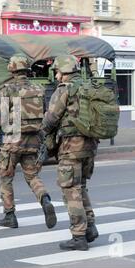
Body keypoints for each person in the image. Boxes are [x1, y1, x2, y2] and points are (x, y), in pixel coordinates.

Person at [42, 55, 99, 251]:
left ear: (63, 72)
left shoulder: (64, 90)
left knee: (70, 191)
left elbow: (51, 119)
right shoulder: (90, 88)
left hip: (70, 148)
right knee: (81, 186)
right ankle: (90, 227)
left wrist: (43, 132)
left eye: (57, 72)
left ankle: (79, 236)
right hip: (90, 147)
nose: (57, 76)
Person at [0, 54, 57, 229]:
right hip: (34, 140)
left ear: (12, 69)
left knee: (5, 177)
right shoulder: (38, 88)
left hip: (12, 141)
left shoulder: (7, 90)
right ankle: (44, 199)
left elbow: (1, 116)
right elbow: (46, 113)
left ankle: (10, 215)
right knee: (32, 176)